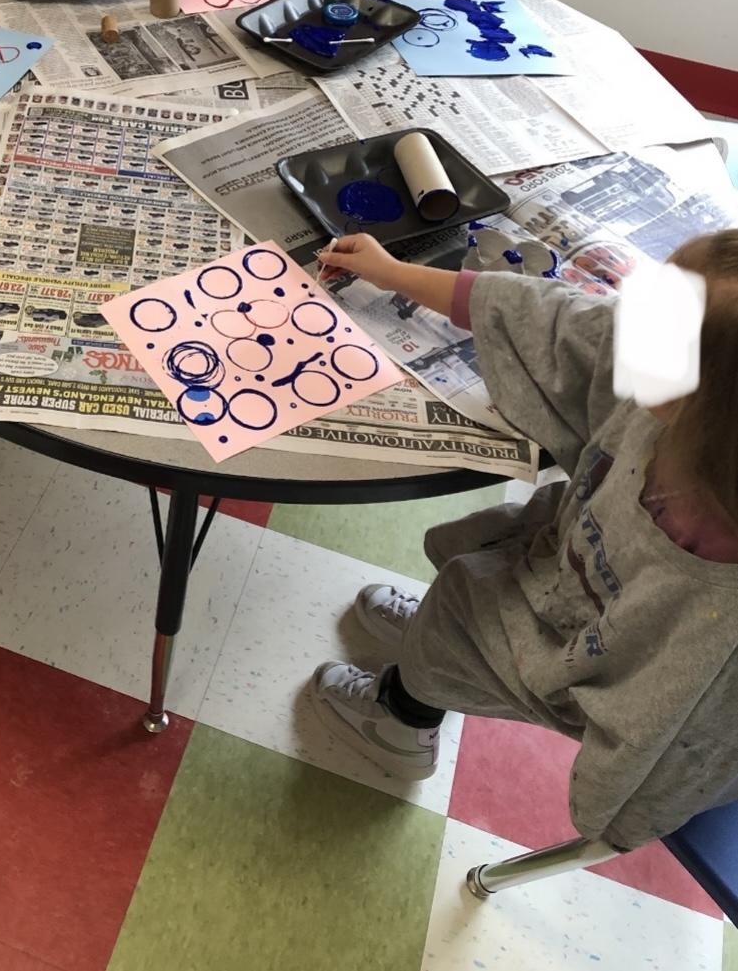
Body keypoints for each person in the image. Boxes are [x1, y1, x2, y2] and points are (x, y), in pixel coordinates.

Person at [309, 228, 738, 852]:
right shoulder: (686, 383)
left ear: (709, 415)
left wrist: (623, 803)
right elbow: (549, 317)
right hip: (577, 556)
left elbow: (690, 735)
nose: (626, 324)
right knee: (478, 560)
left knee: (460, 608)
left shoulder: (722, 616)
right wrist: (393, 272)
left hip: (602, 669)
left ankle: (403, 719)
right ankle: (436, 647)